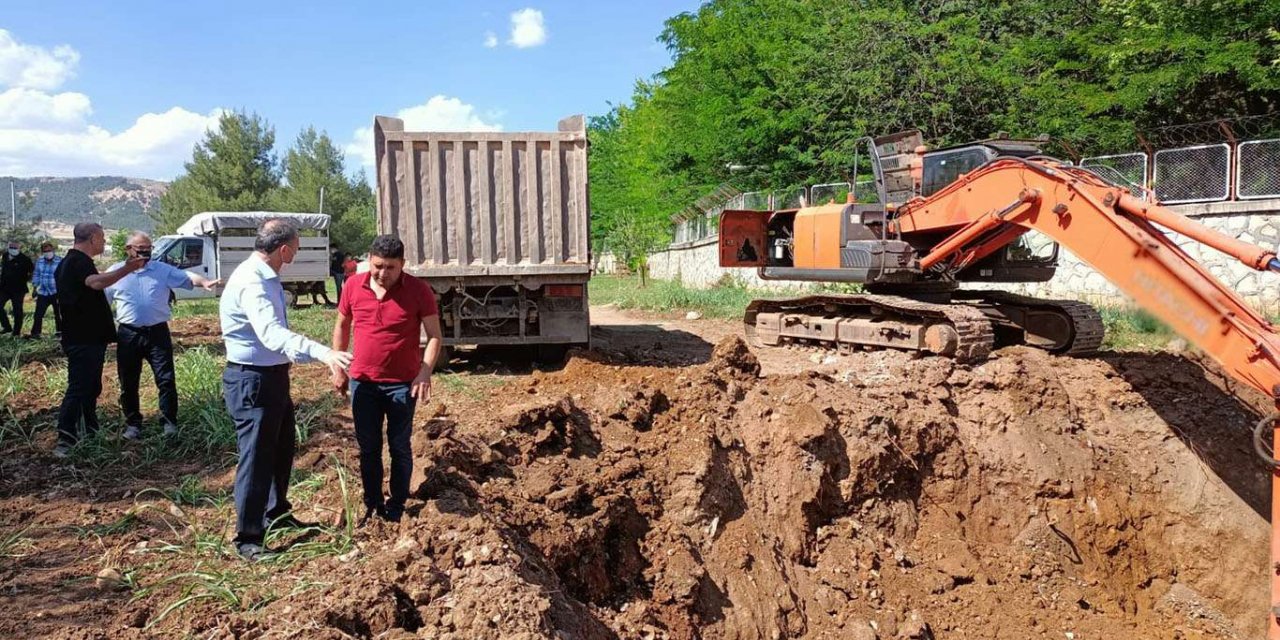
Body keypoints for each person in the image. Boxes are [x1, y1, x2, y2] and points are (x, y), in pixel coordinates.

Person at [220, 218, 352, 561]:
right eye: (297, 246)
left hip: (271, 376)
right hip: (253, 380)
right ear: (283, 249)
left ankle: (275, 512)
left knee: (279, 448)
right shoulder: (253, 282)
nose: (297, 252)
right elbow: (272, 335)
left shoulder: (265, 277)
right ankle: (248, 538)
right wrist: (324, 353)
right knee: (256, 457)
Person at [331, 235, 442, 522]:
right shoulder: (353, 285)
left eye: (391, 267)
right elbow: (342, 325)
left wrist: (424, 372)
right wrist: (338, 367)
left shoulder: (419, 291)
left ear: (402, 265)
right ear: (369, 260)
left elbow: (434, 337)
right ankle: (372, 502)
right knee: (368, 447)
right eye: (378, 265)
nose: (383, 273)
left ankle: (397, 505)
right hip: (363, 382)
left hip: (402, 385)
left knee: (399, 446)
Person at [105, 232, 220, 440]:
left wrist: (203, 281)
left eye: (148, 250)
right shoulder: (115, 272)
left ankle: (169, 422)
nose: (145, 254)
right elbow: (103, 300)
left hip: (157, 333)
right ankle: (133, 424)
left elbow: (186, 277)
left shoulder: (161, 270)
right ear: (128, 249)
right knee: (128, 381)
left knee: (166, 379)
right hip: (128, 334)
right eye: (140, 250)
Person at [53, 223, 147, 458]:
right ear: (93, 238)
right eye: (103, 237)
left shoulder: (69, 262)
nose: (105, 242)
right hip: (83, 338)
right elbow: (95, 282)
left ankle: (89, 432)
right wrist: (127, 269)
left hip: (85, 337)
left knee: (90, 387)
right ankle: (66, 438)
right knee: (79, 387)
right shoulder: (78, 262)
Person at [0, 240, 34, 336]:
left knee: (17, 311)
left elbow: (32, 271)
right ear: (8, 247)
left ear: (19, 248)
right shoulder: (5, 256)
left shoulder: (25, 260)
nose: (13, 249)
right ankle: (6, 327)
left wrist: (26, 279)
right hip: (4, 288)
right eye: (11, 247)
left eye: (15, 248)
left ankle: (16, 332)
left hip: (18, 289)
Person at [28, 242, 61, 339]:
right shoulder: (40, 261)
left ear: (53, 250)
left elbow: (63, 276)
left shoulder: (60, 261)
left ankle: (60, 332)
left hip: (56, 292)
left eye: (49, 250)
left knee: (58, 314)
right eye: (45, 251)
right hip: (43, 292)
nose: (48, 253)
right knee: (38, 314)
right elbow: (36, 274)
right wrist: (34, 288)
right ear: (42, 252)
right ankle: (35, 333)